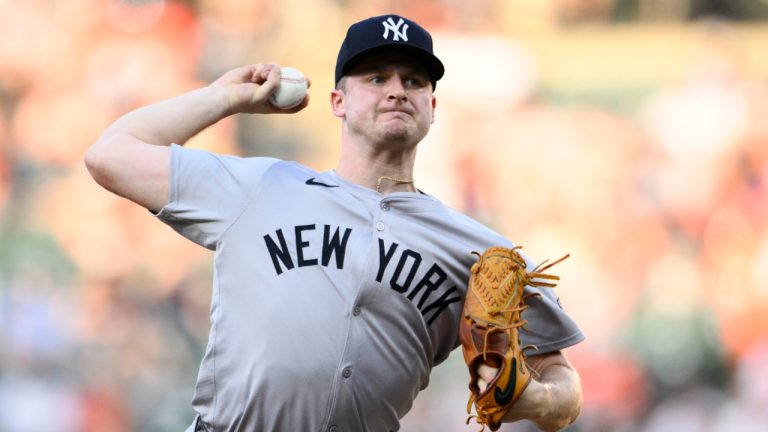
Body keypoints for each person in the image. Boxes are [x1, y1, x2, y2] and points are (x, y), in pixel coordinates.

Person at [85, 14, 584, 432]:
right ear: (338, 102)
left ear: (432, 108)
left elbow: (564, 385)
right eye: (376, 78)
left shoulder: (477, 250)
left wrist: (535, 400)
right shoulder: (260, 187)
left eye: (414, 81)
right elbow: (110, 155)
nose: (397, 91)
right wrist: (223, 99)